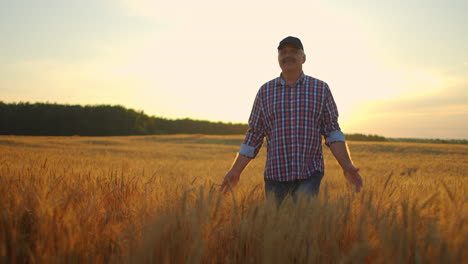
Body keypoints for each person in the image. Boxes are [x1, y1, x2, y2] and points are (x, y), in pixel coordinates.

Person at [220, 36, 363, 205]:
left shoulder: (320, 89)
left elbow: (332, 132)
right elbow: (254, 136)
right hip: (275, 177)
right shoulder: (265, 92)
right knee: (278, 227)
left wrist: (347, 166)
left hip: (309, 174)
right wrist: (235, 171)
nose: (288, 55)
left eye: (294, 51)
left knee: (303, 220)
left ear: (304, 57)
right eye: (283, 52)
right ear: (278, 58)